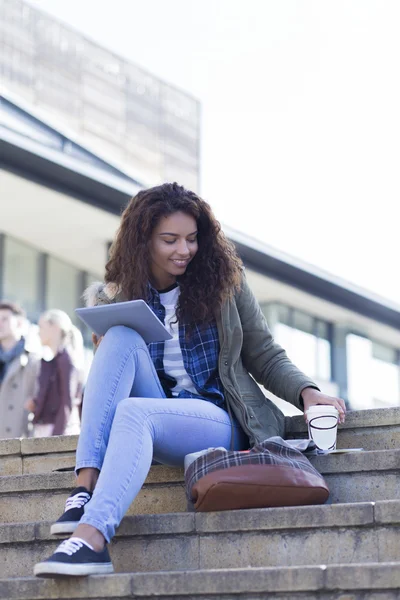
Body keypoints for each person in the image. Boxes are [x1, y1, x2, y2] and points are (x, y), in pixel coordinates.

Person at [34, 182, 346, 577]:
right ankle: (83, 489)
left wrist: (308, 393)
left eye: (191, 239)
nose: (184, 250)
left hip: (219, 420)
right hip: (159, 412)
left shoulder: (225, 283)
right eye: (170, 240)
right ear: (143, 240)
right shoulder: (122, 293)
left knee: (134, 412)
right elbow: (114, 379)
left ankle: (92, 538)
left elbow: (263, 353)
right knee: (120, 337)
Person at [25, 310, 84, 438]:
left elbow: (66, 402)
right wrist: (36, 402)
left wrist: (55, 438)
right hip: (47, 430)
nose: (38, 331)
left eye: (41, 327)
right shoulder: (53, 360)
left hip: (57, 432)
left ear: (55, 328)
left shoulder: (66, 360)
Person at [0, 301, 41, 440]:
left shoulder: (33, 360)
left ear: (19, 322)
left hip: (19, 442)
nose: (0, 323)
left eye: (4, 319)